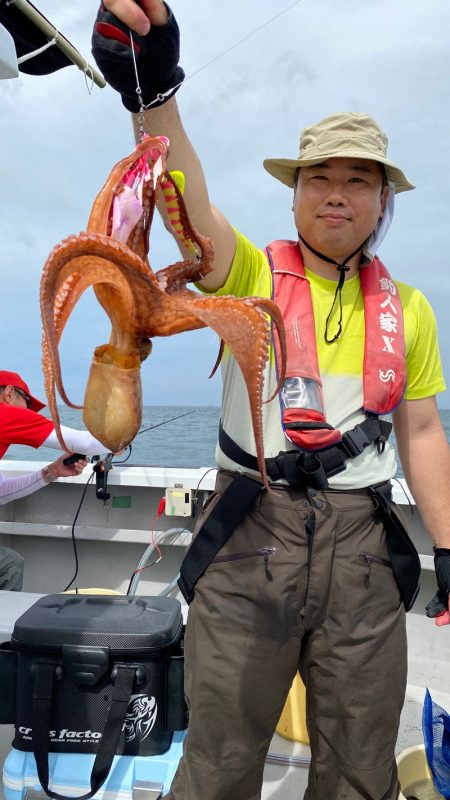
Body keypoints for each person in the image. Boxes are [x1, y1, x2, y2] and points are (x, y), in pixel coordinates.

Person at [91, 5, 450, 799]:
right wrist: (156, 93)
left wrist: (449, 546)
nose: (337, 194)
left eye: (359, 180)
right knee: (219, 758)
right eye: (319, 177)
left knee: (360, 766)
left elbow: (421, 430)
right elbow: (190, 208)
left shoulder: (413, 310)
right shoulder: (248, 275)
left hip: (364, 550)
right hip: (252, 532)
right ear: (293, 197)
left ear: (383, 201)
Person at [0, 370, 109, 591]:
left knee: (9, 563)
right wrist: (123, 435)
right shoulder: (5, 415)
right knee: (9, 564)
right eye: (27, 404)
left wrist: (51, 472)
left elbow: (1, 493)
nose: (28, 412)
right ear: (10, 393)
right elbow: (87, 444)